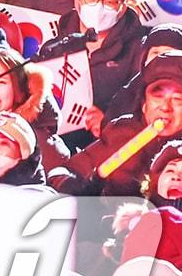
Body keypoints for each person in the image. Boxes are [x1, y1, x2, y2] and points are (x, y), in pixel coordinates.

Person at [52, 53, 182, 196]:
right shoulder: (121, 132)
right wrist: (67, 184)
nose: (165, 107)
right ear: (144, 105)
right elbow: (66, 170)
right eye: (157, 97)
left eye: (177, 99)